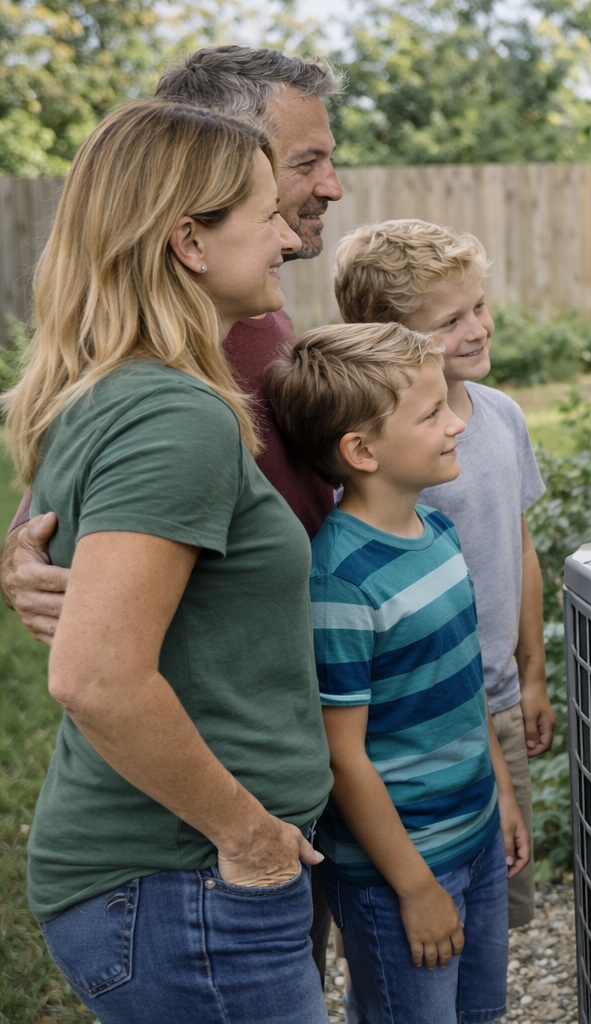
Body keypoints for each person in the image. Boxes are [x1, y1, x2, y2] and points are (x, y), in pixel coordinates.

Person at [0, 43, 347, 981]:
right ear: (190, 240)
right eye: (281, 190)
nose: (296, 222)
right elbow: (99, 677)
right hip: (191, 870)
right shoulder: (175, 404)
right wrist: (253, 839)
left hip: (204, 843)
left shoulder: (175, 363)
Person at [2, 44, 345, 633]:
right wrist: (20, 555)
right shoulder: (163, 372)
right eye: (305, 162)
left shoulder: (246, 312)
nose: (332, 186)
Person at [265, 322, 531, 1024]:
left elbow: (465, 682)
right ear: (361, 450)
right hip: (399, 871)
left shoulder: (437, 533)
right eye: (432, 413)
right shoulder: (341, 582)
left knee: (481, 1011)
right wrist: (415, 887)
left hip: (472, 836)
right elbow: (344, 758)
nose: (455, 424)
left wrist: (500, 796)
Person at [331, 218, 552, 929]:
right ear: (388, 339)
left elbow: (518, 546)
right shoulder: (392, 449)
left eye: (478, 307)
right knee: (416, 902)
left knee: (499, 887)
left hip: (496, 699)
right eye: (449, 320)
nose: (477, 328)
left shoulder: (500, 417)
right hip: (417, 712)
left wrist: (533, 674)